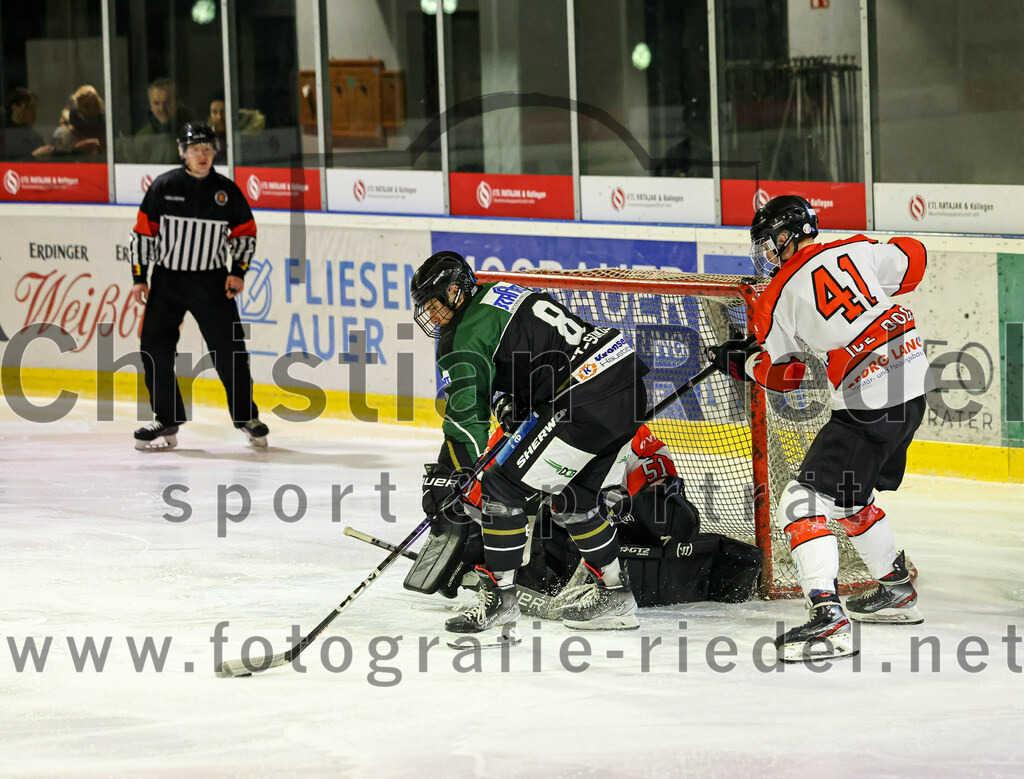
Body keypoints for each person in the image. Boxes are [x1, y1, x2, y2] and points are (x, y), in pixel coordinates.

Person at [707, 194, 929, 663]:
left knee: (798, 503)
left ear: (786, 236)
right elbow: (914, 260)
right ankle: (895, 588)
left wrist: (743, 361)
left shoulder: (777, 296)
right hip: (912, 386)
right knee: (848, 497)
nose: (768, 253)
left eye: (770, 243)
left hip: (869, 400)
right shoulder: (856, 247)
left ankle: (828, 619)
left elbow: (782, 376)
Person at [411, 251, 650, 647]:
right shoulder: (501, 292)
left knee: (501, 486)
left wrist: (450, 475)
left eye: (435, 305)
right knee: (574, 498)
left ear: (455, 292)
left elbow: (466, 423)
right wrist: (525, 399)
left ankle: (500, 600)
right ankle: (616, 594)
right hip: (623, 378)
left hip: (582, 394)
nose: (432, 317)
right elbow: (542, 347)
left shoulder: (465, 334)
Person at [129, 122, 268, 450]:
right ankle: (166, 418)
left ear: (214, 152)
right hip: (168, 280)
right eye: (195, 149)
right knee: (154, 347)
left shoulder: (226, 192)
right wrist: (139, 277)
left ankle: (247, 417)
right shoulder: (164, 187)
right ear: (183, 153)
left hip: (212, 281)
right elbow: (143, 232)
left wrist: (238, 271)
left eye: (207, 149)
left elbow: (246, 232)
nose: (202, 155)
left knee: (230, 351)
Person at [133, 77, 191, 164]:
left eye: (167, 102)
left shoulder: (191, 134)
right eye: (156, 103)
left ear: (177, 102)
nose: (162, 108)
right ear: (150, 105)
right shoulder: (141, 137)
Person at [51, 85, 106, 157]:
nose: (92, 110)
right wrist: (77, 151)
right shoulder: (63, 135)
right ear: (76, 110)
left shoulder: (105, 135)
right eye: (86, 106)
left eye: (95, 106)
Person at [3, 88, 52, 160]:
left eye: (35, 108)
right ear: (15, 109)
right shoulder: (3, 137)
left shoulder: (36, 137)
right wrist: (32, 157)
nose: (34, 112)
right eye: (30, 108)